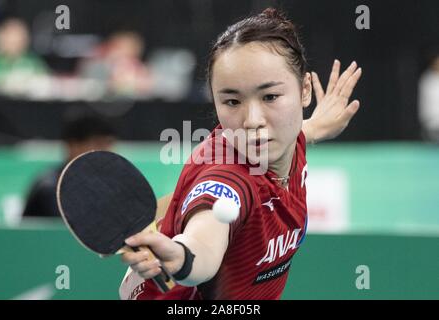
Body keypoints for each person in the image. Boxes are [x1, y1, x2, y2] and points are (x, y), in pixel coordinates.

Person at [120, 8, 362, 300]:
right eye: (232, 101)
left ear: (305, 90)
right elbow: (206, 239)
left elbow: (299, 133)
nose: (252, 120)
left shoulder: (283, 139)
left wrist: (318, 125)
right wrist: (184, 257)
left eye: (270, 97)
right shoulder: (230, 178)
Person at [23, 111, 116, 218]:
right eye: (98, 143)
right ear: (73, 145)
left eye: (109, 144)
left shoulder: (114, 187)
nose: (106, 151)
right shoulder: (49, 188)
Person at [0, 18, 49, 96]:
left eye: (19, 37)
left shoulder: (33, 62)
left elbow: (47, 82)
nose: (15, 42)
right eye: (10, 37)